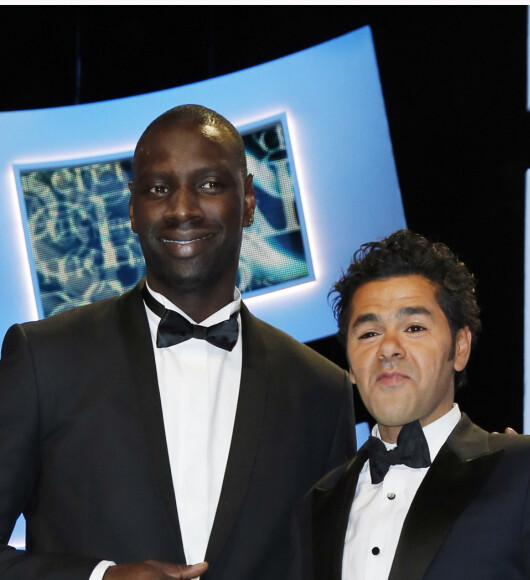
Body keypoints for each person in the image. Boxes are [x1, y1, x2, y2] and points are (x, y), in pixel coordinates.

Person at [0, 105, 356, 579]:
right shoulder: (45, 358)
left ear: (249, 200)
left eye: (209, 185)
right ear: (130, 209)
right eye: (158, 189)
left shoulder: (321, 390)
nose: (183, 209)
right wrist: (100, 577)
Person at [300, 229, 530, 580]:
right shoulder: (316, 505)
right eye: (369, 333)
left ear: (459, 347)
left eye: (414, 327)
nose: (388, 348)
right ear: (350, 364)